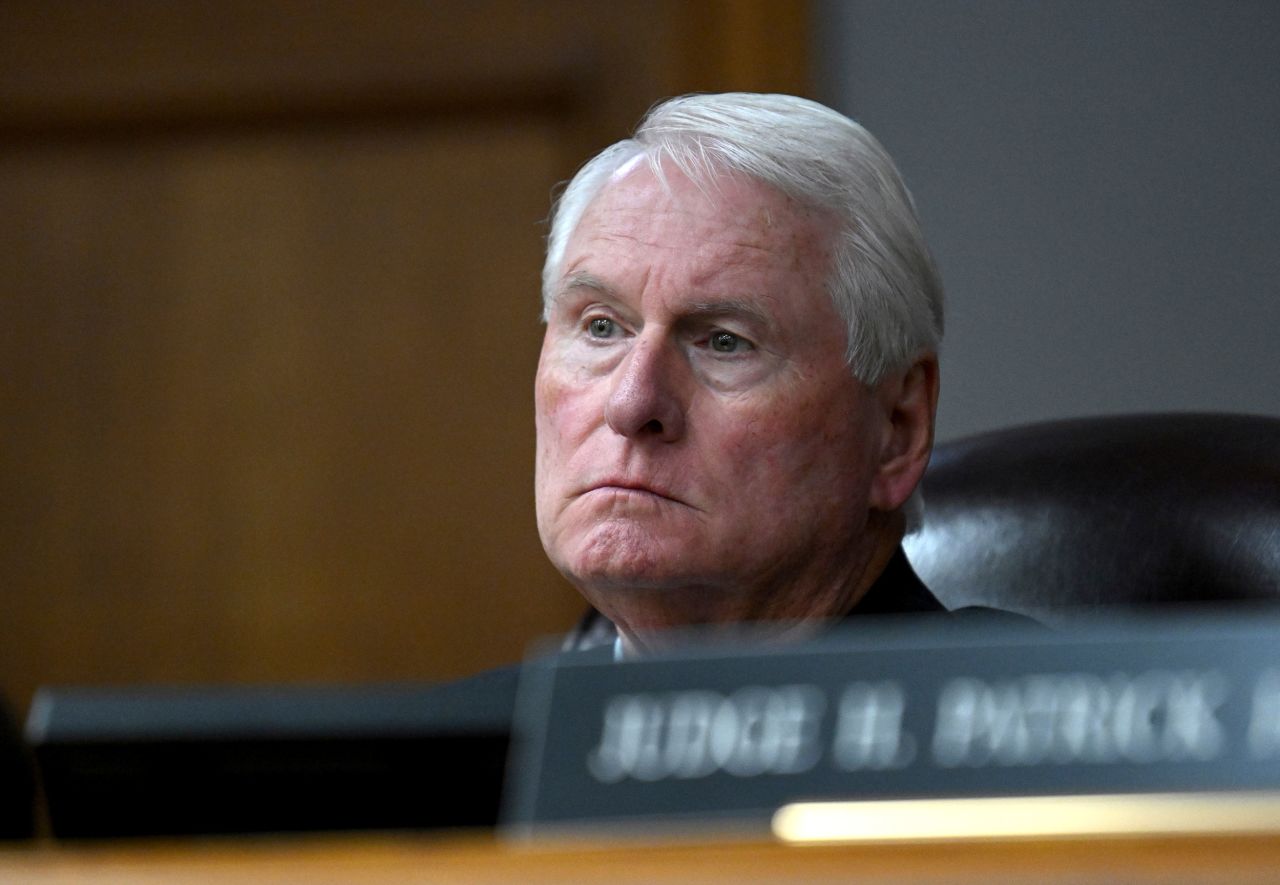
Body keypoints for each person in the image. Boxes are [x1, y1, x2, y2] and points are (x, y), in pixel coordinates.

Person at [534, 93, 948, 658]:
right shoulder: (464, 741)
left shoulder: (1027, 725)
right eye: (602, 328)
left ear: (897, 430)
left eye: (725, 343)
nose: (631, 405)